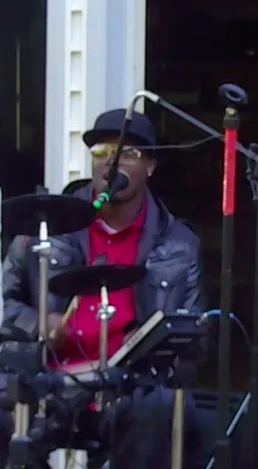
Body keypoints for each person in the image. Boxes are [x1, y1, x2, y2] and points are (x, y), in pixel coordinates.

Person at [1, 109, 207, 469]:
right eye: (101, 151)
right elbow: (4, 301)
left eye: (128, 153)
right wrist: (39, 323)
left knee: (160, 407)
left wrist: (142, 355)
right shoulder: (45, 224)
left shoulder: (179, 244)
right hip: (46, 379)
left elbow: (196, 338)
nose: (111, 161)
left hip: (127, 388)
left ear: (150, 167)